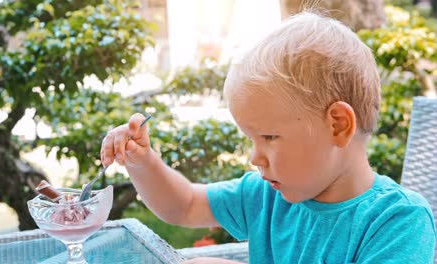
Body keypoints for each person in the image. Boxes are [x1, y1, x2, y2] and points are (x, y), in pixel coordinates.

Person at [101, 11, 436, 263]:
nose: (254, 157)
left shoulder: (397, 222)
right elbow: (185, 205)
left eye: (269, 137)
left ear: (337, 125)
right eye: (252, 139)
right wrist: (142, 163)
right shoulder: (266, 197)